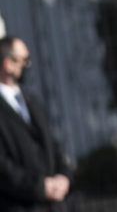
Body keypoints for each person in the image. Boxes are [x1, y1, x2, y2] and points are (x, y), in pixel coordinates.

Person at [0, 35, 72, 212]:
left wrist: (64, 176)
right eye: (24, 60)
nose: (28, 65)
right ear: (8, 63)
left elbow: (54, 146)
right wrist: (39, 187)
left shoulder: (32, 102)